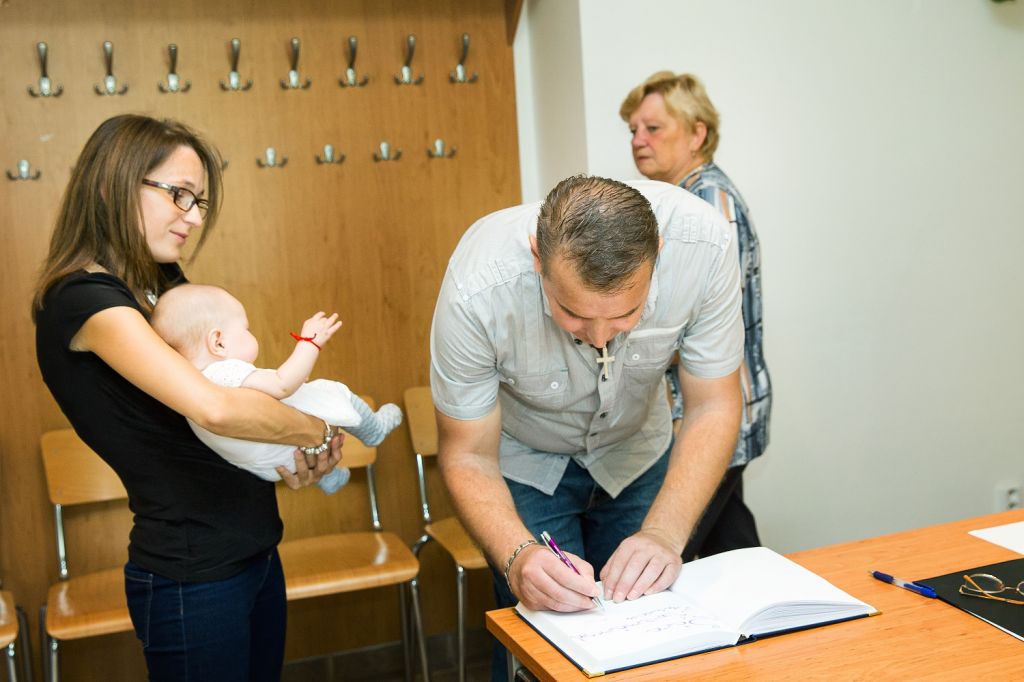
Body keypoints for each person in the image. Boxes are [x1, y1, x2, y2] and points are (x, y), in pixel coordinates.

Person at [33, 114, 342, 682]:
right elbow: (216, 407)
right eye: (179, 195)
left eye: (198, 201)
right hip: (191, 574)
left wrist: (289, 455)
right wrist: (316, 432)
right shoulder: (83, 300)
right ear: (111, 184)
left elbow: (234, 387)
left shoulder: (160, 281)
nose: (194, 217)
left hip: (251, 546)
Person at [430, 175, 744, 676]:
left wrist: (664, 534)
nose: (599, 337)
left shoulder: (704, 248)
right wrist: (517, 556)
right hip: (526, 465)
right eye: (572, 313)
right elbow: (467, 453)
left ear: (658, 255)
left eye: (626, 315)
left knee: (648, 632)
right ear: (538, 257)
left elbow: (713, 406)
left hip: (637, 455)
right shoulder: (478, 288)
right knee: (544, 641)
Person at [620, 71, 772, 561]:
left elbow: (685, 321)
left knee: (667, 552)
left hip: (706, 412)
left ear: (697, 133)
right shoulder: (682, 199)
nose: (638, 140)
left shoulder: (707, 205)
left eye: (653, 128)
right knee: (731, 548)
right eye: (633, 130)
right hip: (705, 407)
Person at [151, 283, 403, 494]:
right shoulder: (222, 372)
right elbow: (282, 385)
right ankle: (374, 430)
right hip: (280, 447)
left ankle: (330, 478)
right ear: (218, 343)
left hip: (264, 465)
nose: (251, 334)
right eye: (246, 329)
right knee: (333, 391)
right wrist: (310, 342)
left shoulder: (191, 388)